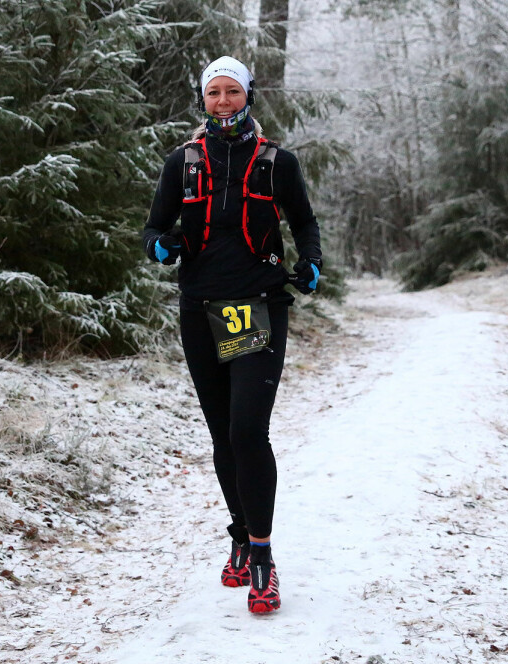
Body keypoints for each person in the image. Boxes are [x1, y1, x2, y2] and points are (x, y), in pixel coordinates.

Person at [142, 55, 323, 614]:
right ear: (203, 99)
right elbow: (154, 227)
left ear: (250, 94)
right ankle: (240, 536)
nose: (223, 101)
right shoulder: (182, 162)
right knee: (223, 434)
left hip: (257, 306)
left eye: (232, 91)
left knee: (247, 430)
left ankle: (262, 557)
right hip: (201, 310)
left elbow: (304, 221)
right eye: (213, 92)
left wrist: (311, 261)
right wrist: (159, 246)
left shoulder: (276, 162)